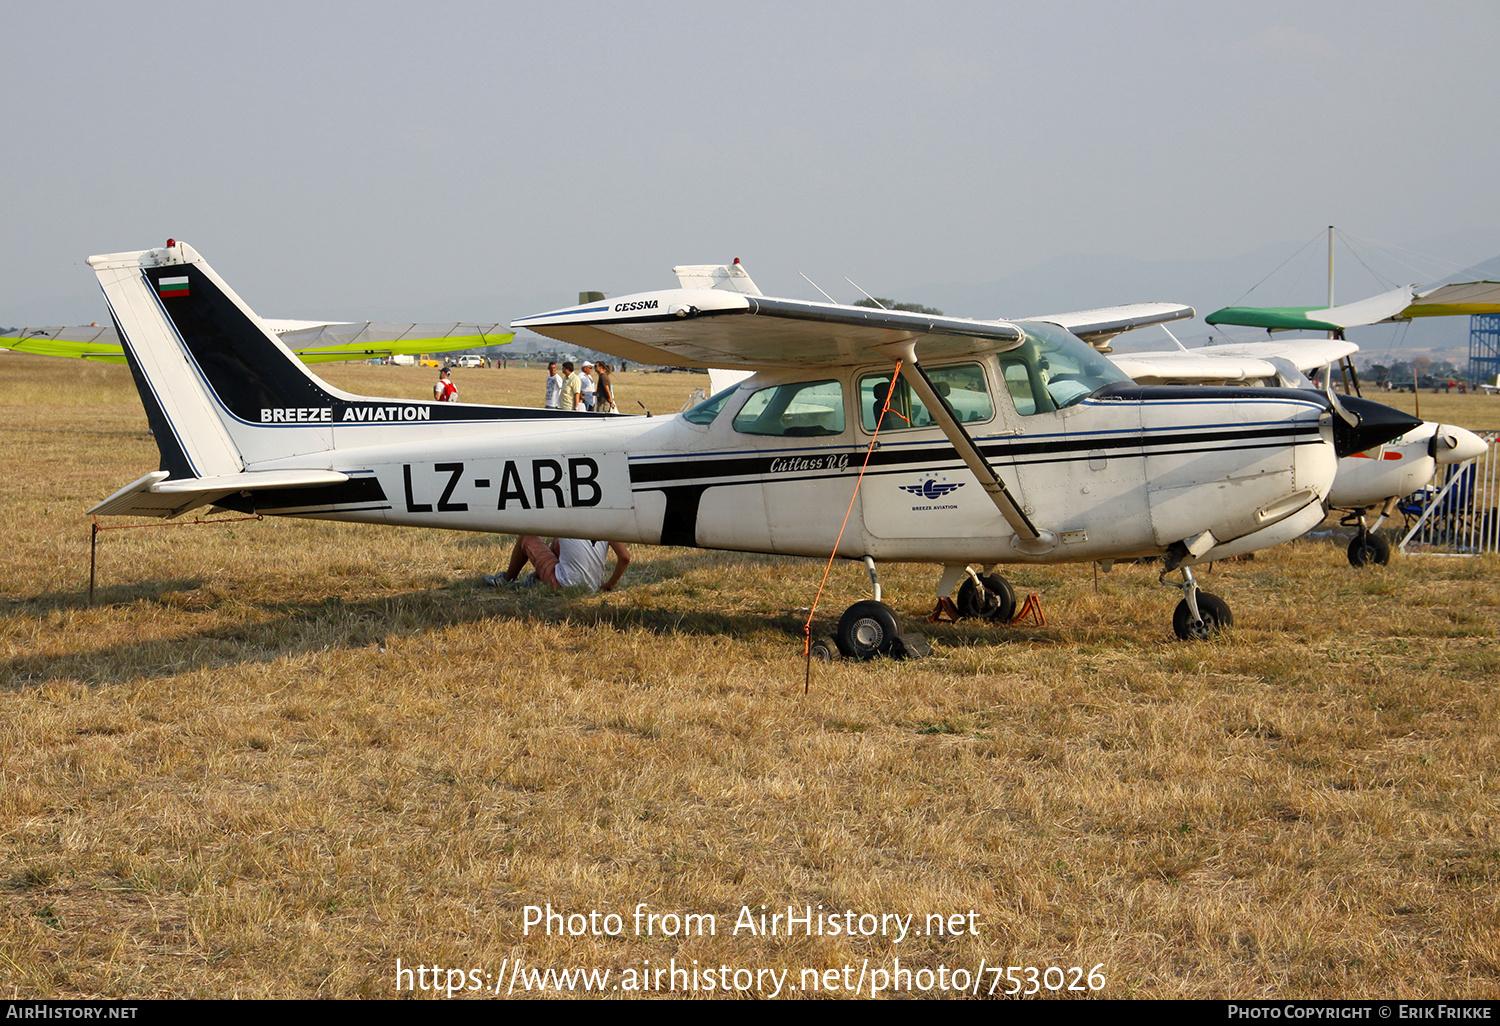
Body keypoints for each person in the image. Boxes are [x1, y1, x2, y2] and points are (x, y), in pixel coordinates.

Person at [483, 537, 631, 592]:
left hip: (563, 584)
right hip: (593, 585)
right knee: (558, 541)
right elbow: (625, 557)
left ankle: (506, 580)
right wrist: (609, 585)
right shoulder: (605, 523)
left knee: (526, 537)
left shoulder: (565, 520)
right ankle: (536, 578)